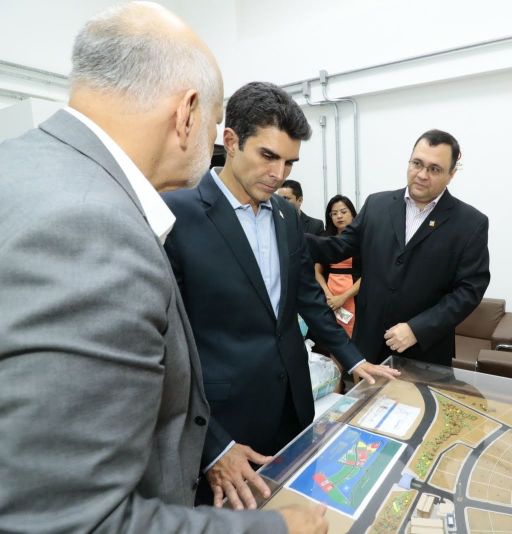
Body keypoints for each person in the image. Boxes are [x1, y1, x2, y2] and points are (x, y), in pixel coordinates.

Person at [0, 3, 329, 533]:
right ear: (187, 113)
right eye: (213, 122)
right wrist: (279, 529)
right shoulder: (89, 227)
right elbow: (62, 520)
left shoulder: (1, 169)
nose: (211, 142)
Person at [162, 81, 399, 510]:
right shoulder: (177, 215)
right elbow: (169, 349)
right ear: (231, 141)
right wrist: (212, 445)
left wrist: (355, 359)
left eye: (289, 162)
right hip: (224, 421)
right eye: (268, 156)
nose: (279, 174)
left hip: (293, 407)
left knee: (291, 512)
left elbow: (308, 297)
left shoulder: (288, 217)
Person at [306, 129, 490, 368]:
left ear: (452, 174)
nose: (422, 175)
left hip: (424, 351)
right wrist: (291, 237)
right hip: (369, 346)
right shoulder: (376, 205)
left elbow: (469, 290)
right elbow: (339, 247)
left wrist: (418, 328)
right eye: (417, 163)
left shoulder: (469, 223)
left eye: (434, 169)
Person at [314, 195, 361, 337]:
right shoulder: (325, 238)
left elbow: (370, 274)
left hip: (355, 294)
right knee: (331, 338)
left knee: (355, 337)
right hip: (329, 294)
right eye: (334, 213)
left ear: (352, 213)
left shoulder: (364, 237)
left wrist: (343, 297)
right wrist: (329, 295)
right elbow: (317, 271)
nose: (339, 216)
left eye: (343, 212)